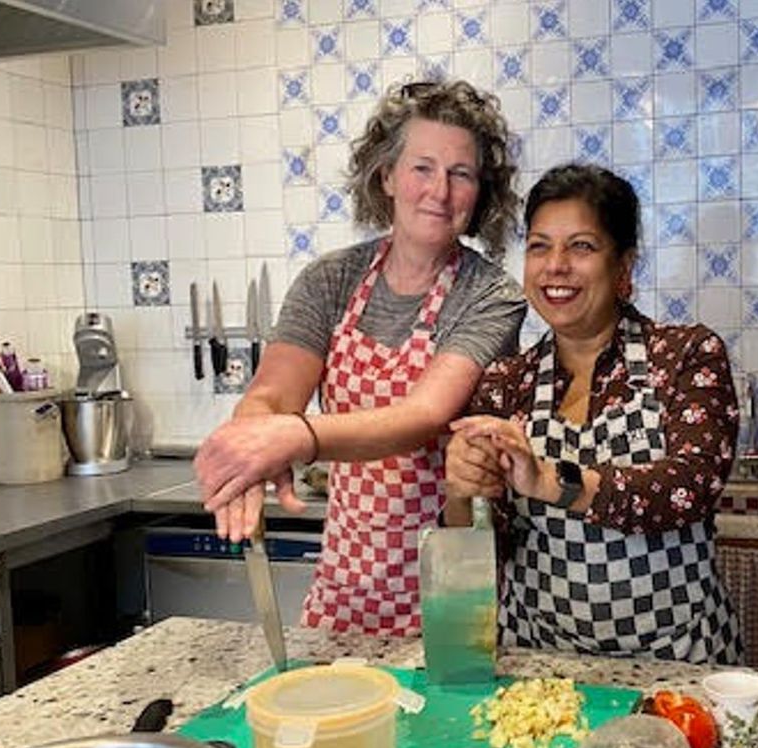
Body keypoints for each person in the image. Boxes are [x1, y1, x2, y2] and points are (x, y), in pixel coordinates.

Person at [194, 79, 527, 635]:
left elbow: (422, 417)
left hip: (454, 593)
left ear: (480, 193)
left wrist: (297, 437)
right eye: (422, 167)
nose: (439, 192)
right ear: (387, 175)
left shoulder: (491, 295)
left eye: (461, 174)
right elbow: (273, 393)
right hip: (344, 589)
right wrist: (251, 444)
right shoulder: (331, 280)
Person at [444, 163, 743, 663]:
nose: (555, 265)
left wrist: (549, 481)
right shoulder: (506, 382)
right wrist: (462, 490)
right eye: (539, 246)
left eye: (581, 246)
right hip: (537, 660)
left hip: (676, 658)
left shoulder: (686, 355)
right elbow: (484, 544)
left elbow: (687, 490)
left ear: (623, 267)